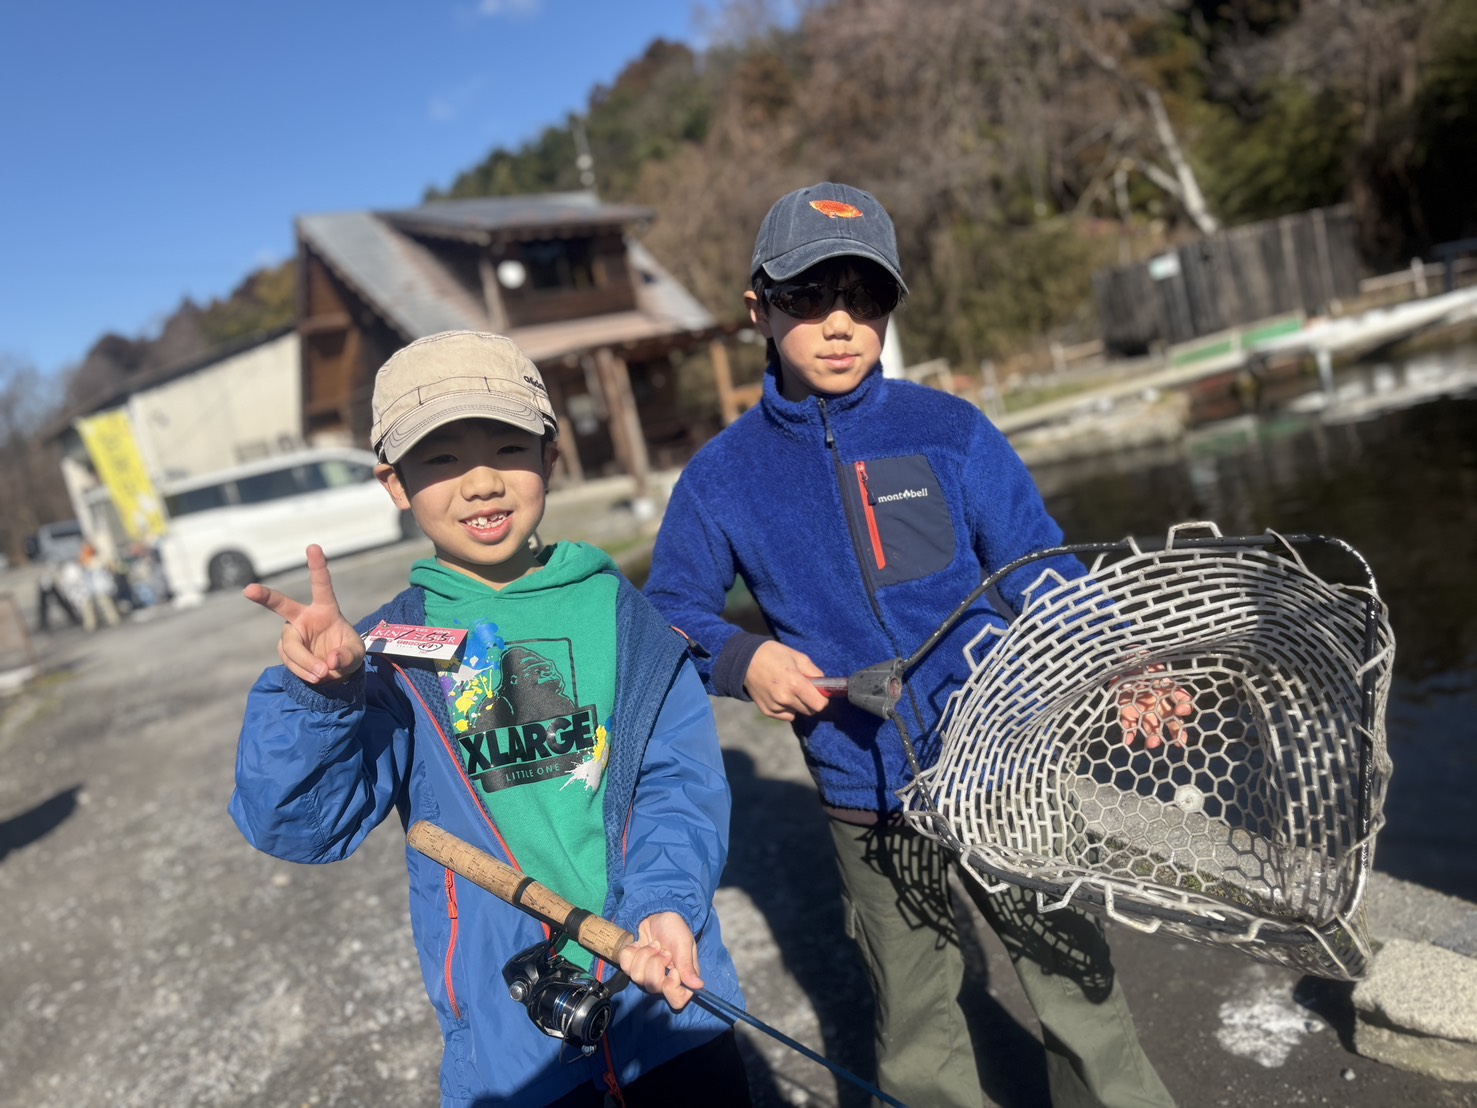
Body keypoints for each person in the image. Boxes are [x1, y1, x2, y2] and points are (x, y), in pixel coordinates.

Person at [643, 183, 1179, 1107]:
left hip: (1007, 765)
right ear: (758, 310)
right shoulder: (720, 478)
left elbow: (1038, 566)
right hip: (865, 794)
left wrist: (1118, 658)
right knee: (916, 1023)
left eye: (866, 296)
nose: (839, 321)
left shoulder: (950, 430)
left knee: (1078, 987)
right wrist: (741, 658)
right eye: (809, 295)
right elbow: (669, 613)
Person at [230, 331, 752, 1107]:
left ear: (551, 457)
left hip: (666, 995)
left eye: (508, 449)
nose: (480, 483)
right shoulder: (386, 655)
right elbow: (298, 826)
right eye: (441, 459)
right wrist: (324, 697)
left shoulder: (625, 617)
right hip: (514, 1042)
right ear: (395, 484)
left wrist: (666, 904)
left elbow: (679, 782)